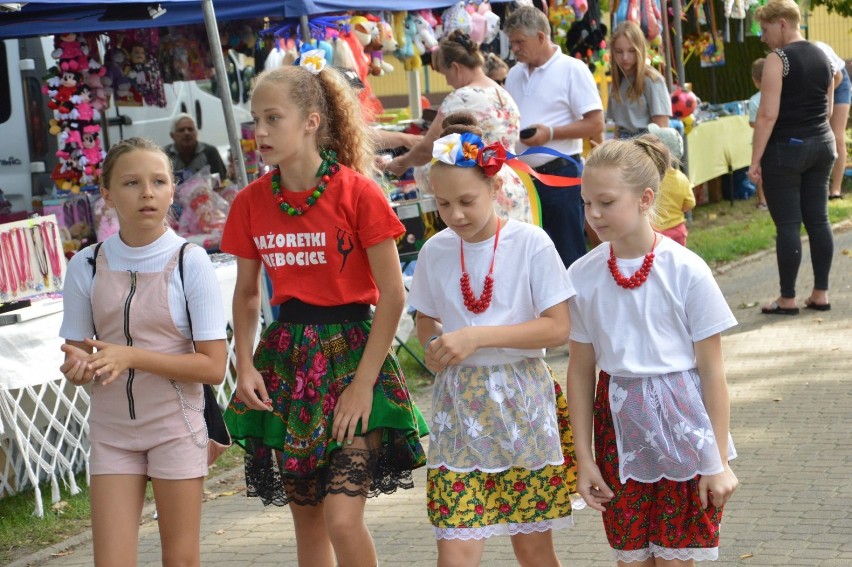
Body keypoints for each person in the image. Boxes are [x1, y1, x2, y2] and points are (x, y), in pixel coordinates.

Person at [219, 53, 428, 567]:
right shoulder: (249, 202)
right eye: (256, 120)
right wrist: (243, 365)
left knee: (341, 519)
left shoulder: (357, 192)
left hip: (354, 356)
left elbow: (393, 294)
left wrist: (362, 383)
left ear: (311, 122)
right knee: (308, 522)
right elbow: (247, 294)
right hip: (288, 361)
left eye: (273, 118)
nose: (260, 131)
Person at [407, 113, 577, 567]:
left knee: (534, 548)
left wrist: (477, 338)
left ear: (496, 189)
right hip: (460, 410)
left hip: (522, 405)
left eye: (466, 201)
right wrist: (435, 345)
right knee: (456, 548)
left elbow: (558, 327)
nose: (455, 215)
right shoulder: (435, 250)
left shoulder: (531, 243)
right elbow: (426, 318)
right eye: (443, 204)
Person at [566, 135, 739, 565]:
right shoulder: (582, 275)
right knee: (632, 557)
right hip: (617, 432)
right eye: (587, 203)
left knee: (677, 557)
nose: (594, 214)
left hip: (684, 431)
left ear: (645, 199)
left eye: (605, 202)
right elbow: (581, 371)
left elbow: (713, 373)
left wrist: (716, 461)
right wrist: (583, 459)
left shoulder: (686, 270)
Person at [58, 137, 228, 566]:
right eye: (132, 182)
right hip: (112, 431)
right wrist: (77, 368)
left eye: (158, 181)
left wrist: (131, 357)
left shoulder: (192, 261)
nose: (147, 193)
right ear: (108, 193)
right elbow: (76, 355)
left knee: (181, 559)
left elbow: (213, 367)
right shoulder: (86, 264)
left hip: (176, 426)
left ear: (173, 190)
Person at [385, 30, 532, 225]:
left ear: (455, 67)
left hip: (479, 190)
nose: (447, 81)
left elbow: (429, 147)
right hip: (512, 183)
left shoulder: (462, 97)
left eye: (446, 74)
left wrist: (400, 163)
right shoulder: (502, 93)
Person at [748, 0, 836, 315]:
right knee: (819, 220)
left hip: (786, 150)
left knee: (788, 225)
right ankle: (821, 293)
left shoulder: (778, 59)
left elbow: (767, 115)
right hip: (823, 145)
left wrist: (755, 160)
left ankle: (787, 299)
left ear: (783, 23)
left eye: (766, 29)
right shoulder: (824, 55)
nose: (763, 37)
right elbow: (827, 109)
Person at [503, 5, 604, 268]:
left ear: (540, 36)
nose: (514, 48)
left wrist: (550, 133)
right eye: (512, 42)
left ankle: (578, 308)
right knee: (533, 257)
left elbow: (595, 123)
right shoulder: (514, 74)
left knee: (567, 252)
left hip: (560, 174)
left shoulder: (573, 69)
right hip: (522, 178)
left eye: (519, 42)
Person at [607, 21, 671, 139]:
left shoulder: (652, 80)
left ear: (640, 50)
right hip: (622, 145)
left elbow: (662, 128)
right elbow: (617, 127)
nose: (625, 57)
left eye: (631, 51)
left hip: (646, 142)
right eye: (619, 51)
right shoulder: (617, 81)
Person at [647, 123, 695, 246]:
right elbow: (690, 203)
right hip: (678, 230)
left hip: (655, 233)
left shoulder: (650, 177)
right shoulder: (682, 178)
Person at [814, 41, 850, 200]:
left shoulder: (818, 51)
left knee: (837, 137)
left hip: (839, 84)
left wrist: (822, 97)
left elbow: (838, 77)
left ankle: (836, 190)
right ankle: (820, 186)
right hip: (819, 86)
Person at [164, 113, 228, 181]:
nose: (187, 133)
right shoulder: (165, 155)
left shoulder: (210, 152)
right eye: (181, 130)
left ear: (196, 133)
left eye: (190, 129)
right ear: (172, 135)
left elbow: (221, 181)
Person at [747, 58, 769, 210]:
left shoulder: (755, 100)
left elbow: (754, 123)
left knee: (760, 171)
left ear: (755, 80)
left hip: (761, 141)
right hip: (779, 139)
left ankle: (763, 201)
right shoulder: (782, 94)